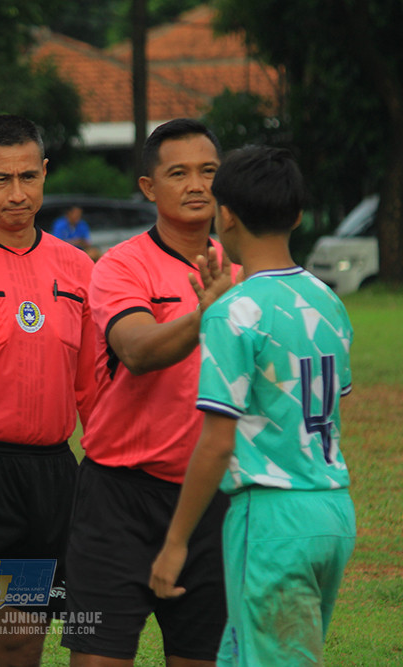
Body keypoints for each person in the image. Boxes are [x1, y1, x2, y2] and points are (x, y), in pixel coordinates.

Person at [149, 146, 356, 666]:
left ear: (227, 215)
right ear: (298, 215)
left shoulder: (234, 310)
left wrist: (175, 543)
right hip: (332, 512)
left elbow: (217, 443)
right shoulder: (327, 299)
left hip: (271, 517)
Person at [61, 118, 239, 667]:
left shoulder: (244, 271)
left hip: (211, 499)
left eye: (209, 172)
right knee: (97, 658)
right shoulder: (121, 265)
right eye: (179, 173)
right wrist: (203, 316)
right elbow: (135, 350)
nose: (196, 185)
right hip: (118, 499)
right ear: (148, 187)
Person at [0, 114, 97, 666]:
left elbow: (92, 391)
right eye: (1, 179)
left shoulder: (77, 267)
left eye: (28, 177)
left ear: (45, 173)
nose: (17, 193)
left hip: (50, 473)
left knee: (20, 630)